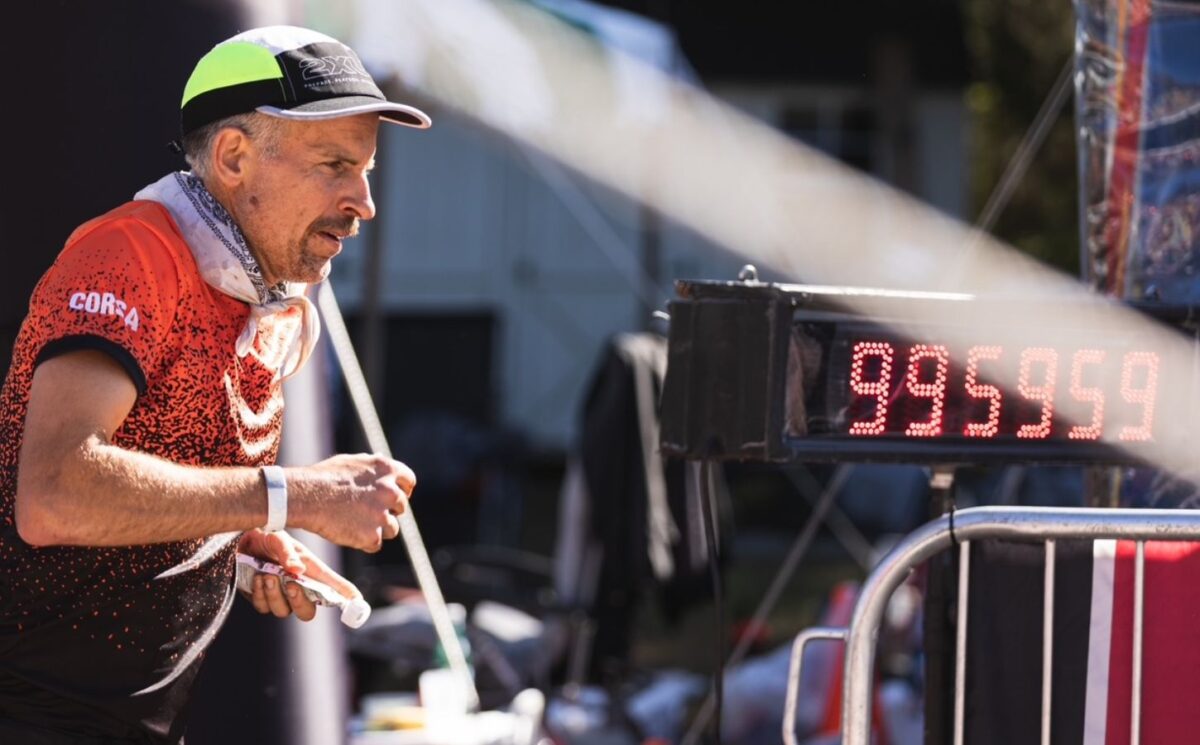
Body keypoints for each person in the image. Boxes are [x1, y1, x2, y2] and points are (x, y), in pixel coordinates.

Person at [0, 25, 433, 744]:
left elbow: (145, 480)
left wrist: (230, 540)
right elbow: (53, 492)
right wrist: (292, 496)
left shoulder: (260, 297)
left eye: (366, 171)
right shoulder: (130, 254)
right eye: (333, 164)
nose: (363, 201)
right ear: (233, 157)